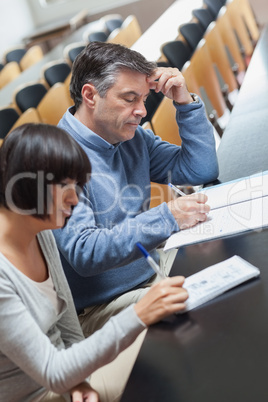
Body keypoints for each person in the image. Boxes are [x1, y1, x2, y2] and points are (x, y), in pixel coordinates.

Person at [0, 123, 188, 402]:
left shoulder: (41, 232)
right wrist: (138, 314)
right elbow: (52, 370)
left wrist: (79, 383)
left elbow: (68, 327)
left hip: (64, 380)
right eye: (66, 187)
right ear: (31, 185)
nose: (75, 200)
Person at [54, 41, 219, 337]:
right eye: (130, 99)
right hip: (100, 308)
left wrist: (184, 102)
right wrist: (166, 217)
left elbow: (201, 169)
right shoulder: (56, 158)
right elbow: (85, 252)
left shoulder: (129, 137)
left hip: (147, 275)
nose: (141, 111)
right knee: (203, 315)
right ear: (90, 95)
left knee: (224, 277)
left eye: (143, 98)